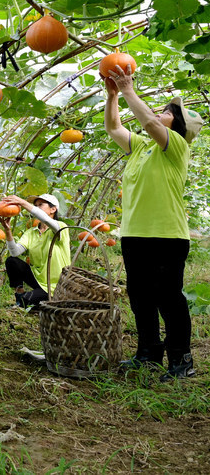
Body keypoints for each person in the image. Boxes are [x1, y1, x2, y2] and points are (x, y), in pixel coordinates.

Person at [104, 64, 203, 380]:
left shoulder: (175, 147)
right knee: (141, 296)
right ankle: (148, 353)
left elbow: (146, 120)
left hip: (167, 236)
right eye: (161, 110)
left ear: (179, 126)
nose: (160, 113)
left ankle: (181, 359)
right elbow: (114, 128)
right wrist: (112, 96)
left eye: (168, 112)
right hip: (134, 234)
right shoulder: (141, 147)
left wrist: (129, 89)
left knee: (169, 298)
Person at [0, 194, 71, 309]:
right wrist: (7, 230)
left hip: (56, 286)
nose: (36, 207)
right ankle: (20, 294)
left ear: (53, 209)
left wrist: (22, 202)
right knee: (12, 261)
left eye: (40, 205)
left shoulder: (60, 228)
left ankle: (28, 301)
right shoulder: (31, 232)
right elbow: (15, 252)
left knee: (27, 300)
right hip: (38, 280)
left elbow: (45, 219)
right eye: (35, 205)